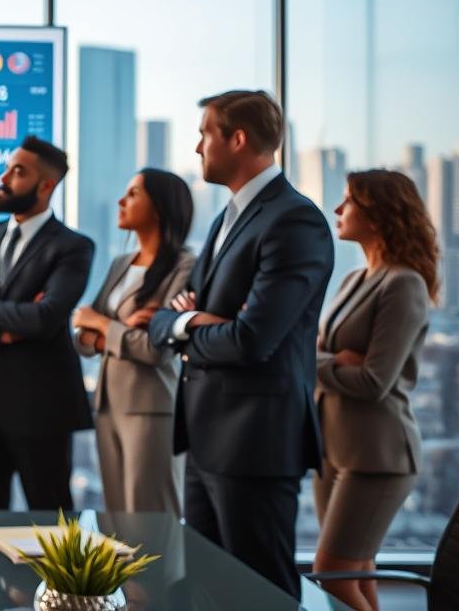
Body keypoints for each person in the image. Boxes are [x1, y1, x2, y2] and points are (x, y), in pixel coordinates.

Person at [148, 90, 333, 598]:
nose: (197, 146)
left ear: (238, 138)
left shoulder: (295, 221)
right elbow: (165, 320)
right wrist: (189, 323)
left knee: (260, 591)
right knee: (208, 588)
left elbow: (252, 340)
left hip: (255, 444)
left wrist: (186, 326)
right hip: (207, 438)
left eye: (206, 133)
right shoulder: (226, 219)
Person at [0, 136, 95, 511]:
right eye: (7, 168)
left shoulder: (73, 246)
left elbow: (46, 318)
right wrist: (6, 329)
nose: (4, 178)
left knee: (53, 524)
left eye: (18, 172)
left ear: (46, 186)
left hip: (41, 408)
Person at [313, 170, 435, 611]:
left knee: (332, 573)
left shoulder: (405, 284)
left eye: (348, 201)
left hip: (378, 455)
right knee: (355, 571)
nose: (338, 210)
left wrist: (315, 362)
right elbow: (324, 354)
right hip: (334, 449)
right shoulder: (354, 280)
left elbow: (373, 382)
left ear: (380, 212)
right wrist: (332, 361)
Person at [72, 169, 195, 515]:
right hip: (108, 405)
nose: (120, 201)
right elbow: (81, 337)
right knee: (116, 519)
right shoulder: (120, 264)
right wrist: (120, 329)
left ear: (159, 208)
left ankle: (160, 575)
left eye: (133, 194)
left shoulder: (185, 267)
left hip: (151, 406)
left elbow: (155, 349)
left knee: (150, 516)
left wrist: (102, 325)